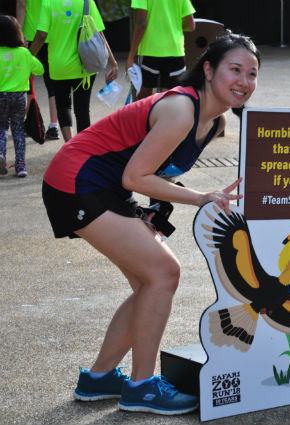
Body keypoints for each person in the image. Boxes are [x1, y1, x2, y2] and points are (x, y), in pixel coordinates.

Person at [41, 33, 260, 415]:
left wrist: (156, 212)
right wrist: (200, 197)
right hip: (77, 181)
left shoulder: (214, 121)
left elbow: (156, 169)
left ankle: (99, 378)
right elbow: (135, 176)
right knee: (164, 273)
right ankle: (141, 387)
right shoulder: (182, 109)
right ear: (208, 70)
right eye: (235, 69)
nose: (244, 81)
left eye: (253, 73)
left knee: (149, 283)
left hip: (106, 185)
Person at [29, 0, 118, 142]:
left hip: (59, 66)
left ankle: (69, 146)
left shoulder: (48, 3)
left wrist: (29, 57)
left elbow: (41, 36)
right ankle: (83, 148)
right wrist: (113, 63)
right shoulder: (87, 2)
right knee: (82, 109)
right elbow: (99, 34)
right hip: (85, 65)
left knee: (63, 106)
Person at [0, 15, 44, 177]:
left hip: (1, 96)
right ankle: (21, 166)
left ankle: (1, 154)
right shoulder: (24, 53)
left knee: (1, 128)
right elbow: (40, 69)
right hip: (19, 96)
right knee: (18, 129)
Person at [126, 0, 196, 99]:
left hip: (150, 51)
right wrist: (173, 26)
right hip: (175, 51)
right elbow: (191, 25)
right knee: (171, 98)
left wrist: (131, 57)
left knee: (144, 99)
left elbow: (142, 24)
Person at [17, 0, 59, 140]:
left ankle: (31, 123)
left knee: (27, 81)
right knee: (52, 81)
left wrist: (18, 32)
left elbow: (21, 5)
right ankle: (54, 126)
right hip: (52, 33)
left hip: (29, 35)